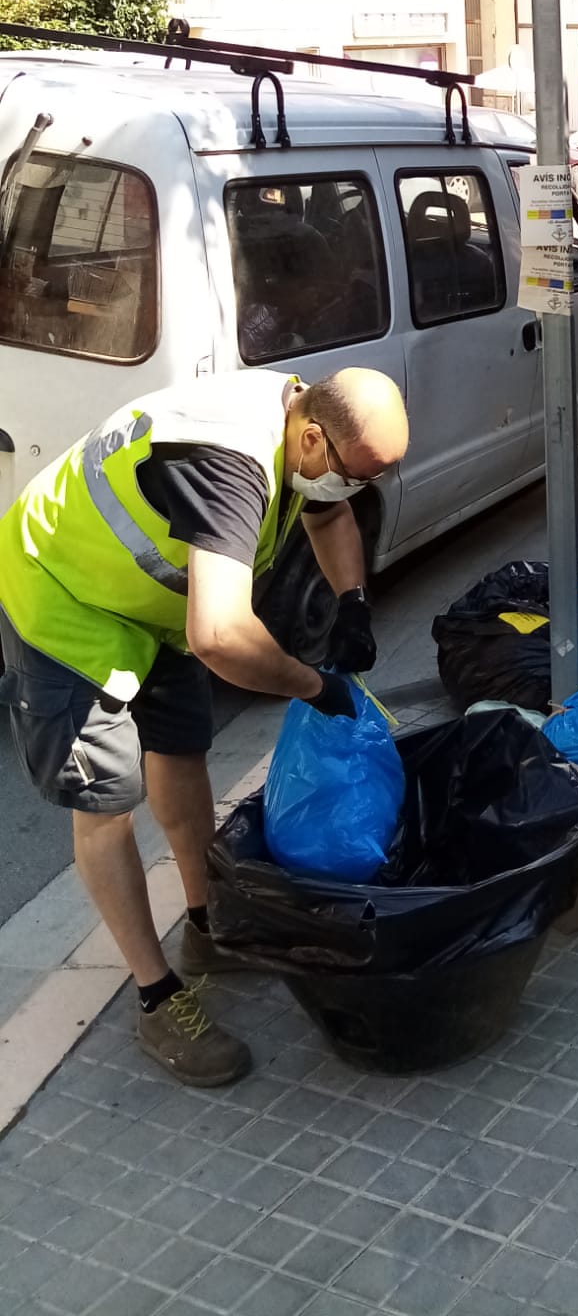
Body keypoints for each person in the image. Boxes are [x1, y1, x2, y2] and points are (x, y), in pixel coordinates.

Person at [0, 367, 409, 1087]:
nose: (353, 491)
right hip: (66, 600)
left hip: (154, 609)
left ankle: (206, 925)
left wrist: (353, 603)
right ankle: (157, 998)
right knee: (107, 805)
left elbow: (325, 512)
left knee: (183, 750)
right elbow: (222, 635)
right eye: (353, 475)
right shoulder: (226, 463)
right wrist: (312, 687)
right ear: (311, 436)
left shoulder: (299, 421)